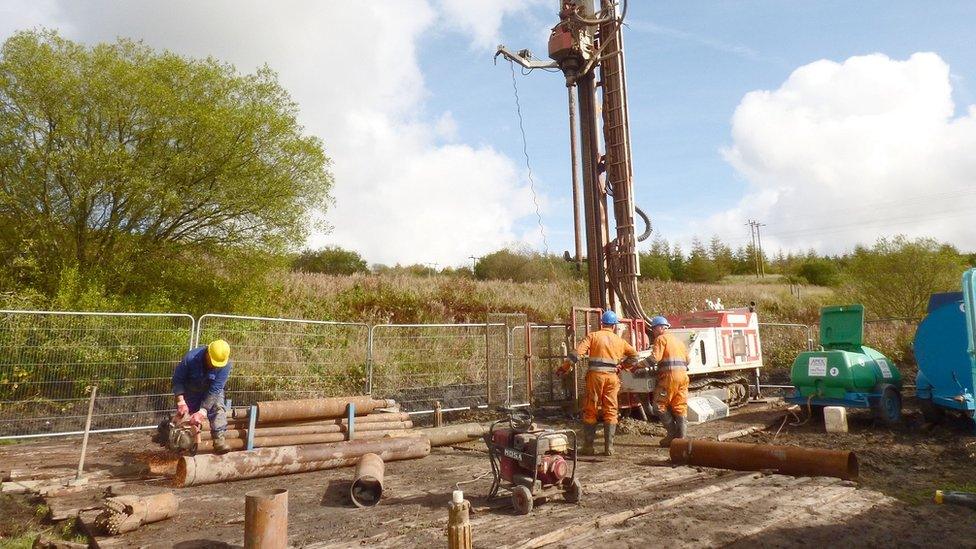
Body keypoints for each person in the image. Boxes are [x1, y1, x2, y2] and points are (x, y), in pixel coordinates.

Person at [559, 310, 639, 456]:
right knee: (611, 410)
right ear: (614, 326)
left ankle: (588, 446)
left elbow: (577, 354)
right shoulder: (620, 341)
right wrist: (623, 366)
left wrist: (564, 367)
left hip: (595, 378)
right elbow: (634, 356)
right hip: (612, 378)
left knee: (591, 409)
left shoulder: (593, 336)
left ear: (602, 323)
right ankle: (609, 448)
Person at [172, 339, 233, 453]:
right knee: (186, 416)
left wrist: (203, 411)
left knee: (218, 408)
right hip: (191, 388)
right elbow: (178, 380)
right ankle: (182, 443)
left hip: (212, 390)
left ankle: (219, 440)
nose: (215, 366)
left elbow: (215, 389)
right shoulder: (191, 358)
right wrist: (181, 402)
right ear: (207, 353)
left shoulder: (226, 365)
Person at [647, 315, 690, 447]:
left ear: (660, 328)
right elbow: (688, 360)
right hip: (683, 377)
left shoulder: (661, 339)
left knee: (658, 406)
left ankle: (672, 435)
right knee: (680, 406)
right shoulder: (678, 341)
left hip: (669, 378)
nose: (653, 332)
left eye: (653, 329)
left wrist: (638, 365)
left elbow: (654, 359)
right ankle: (681, 440)